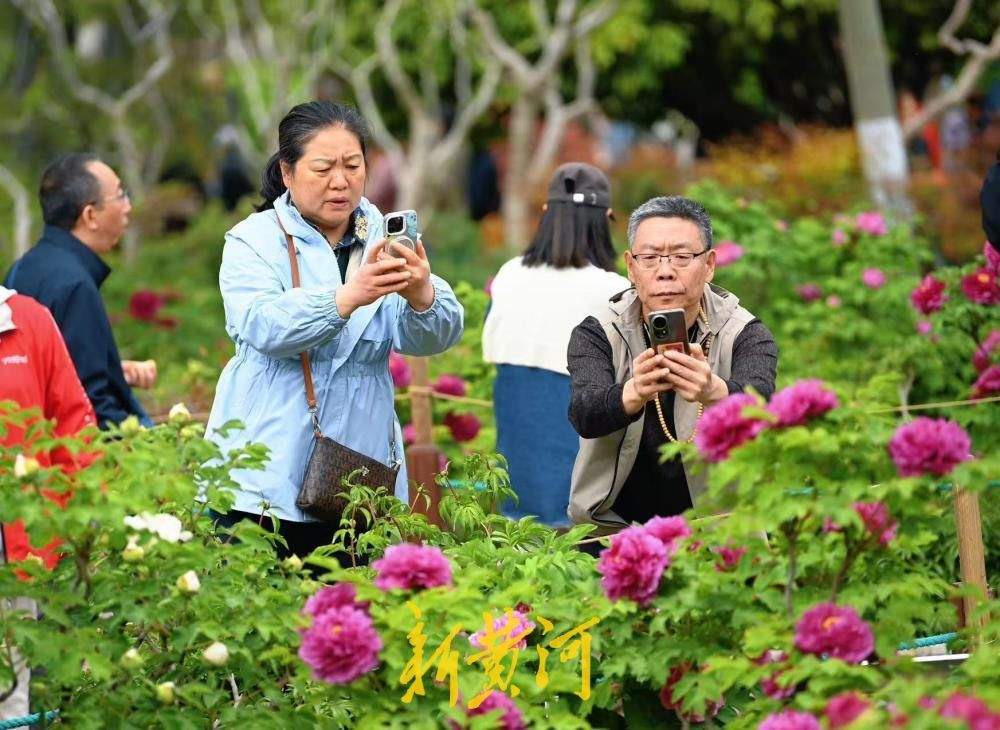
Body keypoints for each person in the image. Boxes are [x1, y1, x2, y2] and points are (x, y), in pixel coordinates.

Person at [205, 101, 464, 559]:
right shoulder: (253, 240)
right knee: (261, 618)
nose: (340, 181)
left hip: (355, 481)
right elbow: (263, 325)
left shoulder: (382, 236)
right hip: (262, 475)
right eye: (323, 168)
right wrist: (347, 297)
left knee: (348, 620)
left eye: (352, 165)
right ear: (287, 172)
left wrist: (423, 295)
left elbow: (430, 336)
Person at [566, 196, 778, 533]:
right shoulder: (598, 332)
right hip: (612, 527)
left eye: (681, 257)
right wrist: (631, 394)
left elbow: (763, 406)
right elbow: (584, 413)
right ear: (630, 266)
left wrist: (716, 392)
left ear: (709, 264)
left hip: (720, 526)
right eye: (649, 258)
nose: (665, 271)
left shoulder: (746, 333)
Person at [483, 163, 630, 526]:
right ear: (605, 220)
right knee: (574, 520)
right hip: (574, 415)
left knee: (520, 516)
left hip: (515, 404)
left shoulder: (510, 273)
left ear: (546, 214)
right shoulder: (610, 289)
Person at [3, 153, 157, 428]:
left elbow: (52, 368)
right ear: (90, 215)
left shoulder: (21, 268)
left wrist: (116, 371)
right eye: (120, 196)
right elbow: (93, 405)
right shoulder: (75, 285)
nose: (128, 207)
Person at [0, 285, 96, 720]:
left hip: (18, 547)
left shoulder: (26, 319)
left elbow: (73, 426)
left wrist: (89, 523)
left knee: (13, 686)